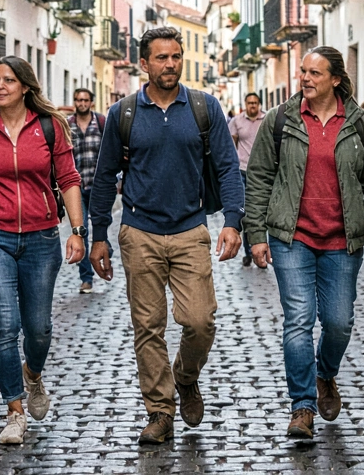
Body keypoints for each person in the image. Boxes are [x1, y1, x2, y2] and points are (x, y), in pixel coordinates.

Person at [88, 26, 245, 445]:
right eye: (161, 57)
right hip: (139, 231)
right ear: (144, 64)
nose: (170, 64)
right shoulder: (123, 113)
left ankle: (186, 376)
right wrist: (99, 235)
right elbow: (104, 176)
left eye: (176, 56)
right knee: (148, 326)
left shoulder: (203, 107)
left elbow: (228, 167)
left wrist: (233, 220)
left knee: (200, 320)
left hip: (191, 229)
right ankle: (159, 411)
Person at [243, 47, 364, 439]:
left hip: (343, 239)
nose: (305, 79)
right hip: (292, 237)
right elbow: (259, 177)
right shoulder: (280, 120)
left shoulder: (361, 124)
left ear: (336, 79)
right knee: (298, 319)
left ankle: (326, 373)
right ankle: (302, 406)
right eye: (303, 71)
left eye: (315, 73)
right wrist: (255, 234)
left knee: (339, 322)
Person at [0, 57, 85, 444]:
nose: (0, 86)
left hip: (41, 237)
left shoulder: (50, 127)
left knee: (39, 329)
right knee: (5, 326)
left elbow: (68, 179)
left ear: (25, 87)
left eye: (9, 80)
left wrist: (77, 230)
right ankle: (14, 412)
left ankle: (32, 374)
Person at [68, 87, 105, 293]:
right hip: (76, 188)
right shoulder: (68, 125)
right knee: (81, 232)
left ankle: (105, 253)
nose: (81, 103)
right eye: (78, 100)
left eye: (85, 100)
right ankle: (86, 278)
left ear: (91, 102)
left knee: (101, 229)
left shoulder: (101, 123)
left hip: (99, 187)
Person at [228, 92, 265, 267]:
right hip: (242, 171)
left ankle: (262, 249)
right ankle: (248, 252)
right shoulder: (237, 121)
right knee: (247, 214)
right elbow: (232, 144)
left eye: (255, 103)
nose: (252, 105)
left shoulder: (266, 120)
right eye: (250, 103)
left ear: (259, 104)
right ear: (245, 104)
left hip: (262, 172)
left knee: (263, 212)